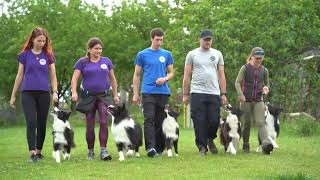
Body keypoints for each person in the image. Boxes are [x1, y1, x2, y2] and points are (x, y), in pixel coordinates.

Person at [9, 27, 58, 162]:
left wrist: (55, 92)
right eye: (39, 40)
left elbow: (53, 75)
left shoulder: (48, 56)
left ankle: (39, 151)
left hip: (43, 93)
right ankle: (32, 153)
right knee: (31, 122)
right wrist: (13, 95)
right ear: (32, 40)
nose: (42, 43)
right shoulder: (24, 55)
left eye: (44, 41)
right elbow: (19, 76)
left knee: (42, 123)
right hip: (27, 93)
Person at [71, 37, 119, 161]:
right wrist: (74, 92)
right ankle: (90, 151)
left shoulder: (106, 61)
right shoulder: (82, 62)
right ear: (89, 49)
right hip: (88, 96)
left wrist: (115, 94)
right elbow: (75, 78)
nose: (98, 51)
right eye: (96, 48)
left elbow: (113, 79)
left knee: (103, 121)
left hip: (104, 96)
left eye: (100, 48)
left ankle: (103, 150)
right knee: (90, 125)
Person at [183, 30, 227, 156]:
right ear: (200, 40)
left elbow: (222, 75)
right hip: (197, 92)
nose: (208, 42)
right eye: (205, 40)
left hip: (213, 92)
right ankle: (202, 147)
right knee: (199, 121)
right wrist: (185, 94)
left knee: (214, 120)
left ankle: (209, 139)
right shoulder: (192, 54)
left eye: (209, 40)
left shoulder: (217, 54)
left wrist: (223, 93)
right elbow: (186, 75)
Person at [132, 28, 174, 157]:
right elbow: (137, 75)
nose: (159, 42)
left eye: (161, 40)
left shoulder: (167, 54)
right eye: (157, 39)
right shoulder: (142, 54)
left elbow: (171, 73)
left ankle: (159, 148)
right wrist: (135, 93)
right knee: (149, 118)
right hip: (148, 91)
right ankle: (150, 148)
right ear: (151, 38)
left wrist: (165, 78)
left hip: (163, 92)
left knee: (160, 120)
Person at [235, 47, 274, 154]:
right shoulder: (245, 68)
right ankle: (246, 145)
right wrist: (240, 95)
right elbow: (237, 82)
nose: (259, 60)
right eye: (257, 58)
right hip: (245, 100)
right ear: (252, 57)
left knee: (261, 122)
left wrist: (266, 88)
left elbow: (267, 84)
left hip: (258, 100)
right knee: (246, 123)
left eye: (261, 58)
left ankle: (266, 145)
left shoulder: (264, 70)